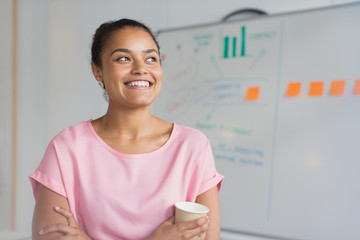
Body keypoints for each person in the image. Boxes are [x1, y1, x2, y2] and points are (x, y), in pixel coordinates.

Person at [29, 18, 224, 240]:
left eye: (151, 58)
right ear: (98, 72)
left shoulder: (193, 147)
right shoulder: (66, 148)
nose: (141, 69)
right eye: (123, 58)